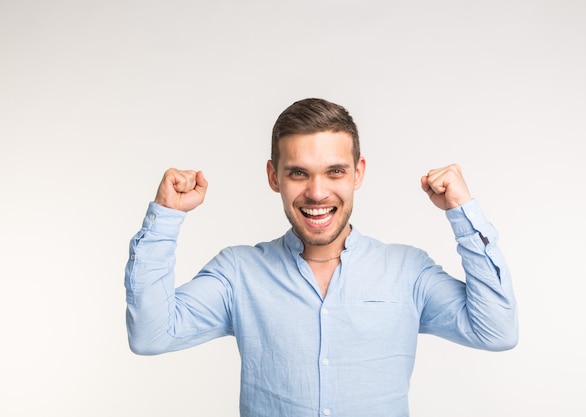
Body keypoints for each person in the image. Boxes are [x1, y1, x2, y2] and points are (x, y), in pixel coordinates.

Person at [124, 98, 518, 417]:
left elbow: (496, 331)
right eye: (298, 173)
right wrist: (165, 218)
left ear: (357, 173)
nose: (317, 192)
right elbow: (151, 335)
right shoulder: (238, 274)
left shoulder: (408, 272)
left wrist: (463, 211)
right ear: (273, 176)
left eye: (334, 171)